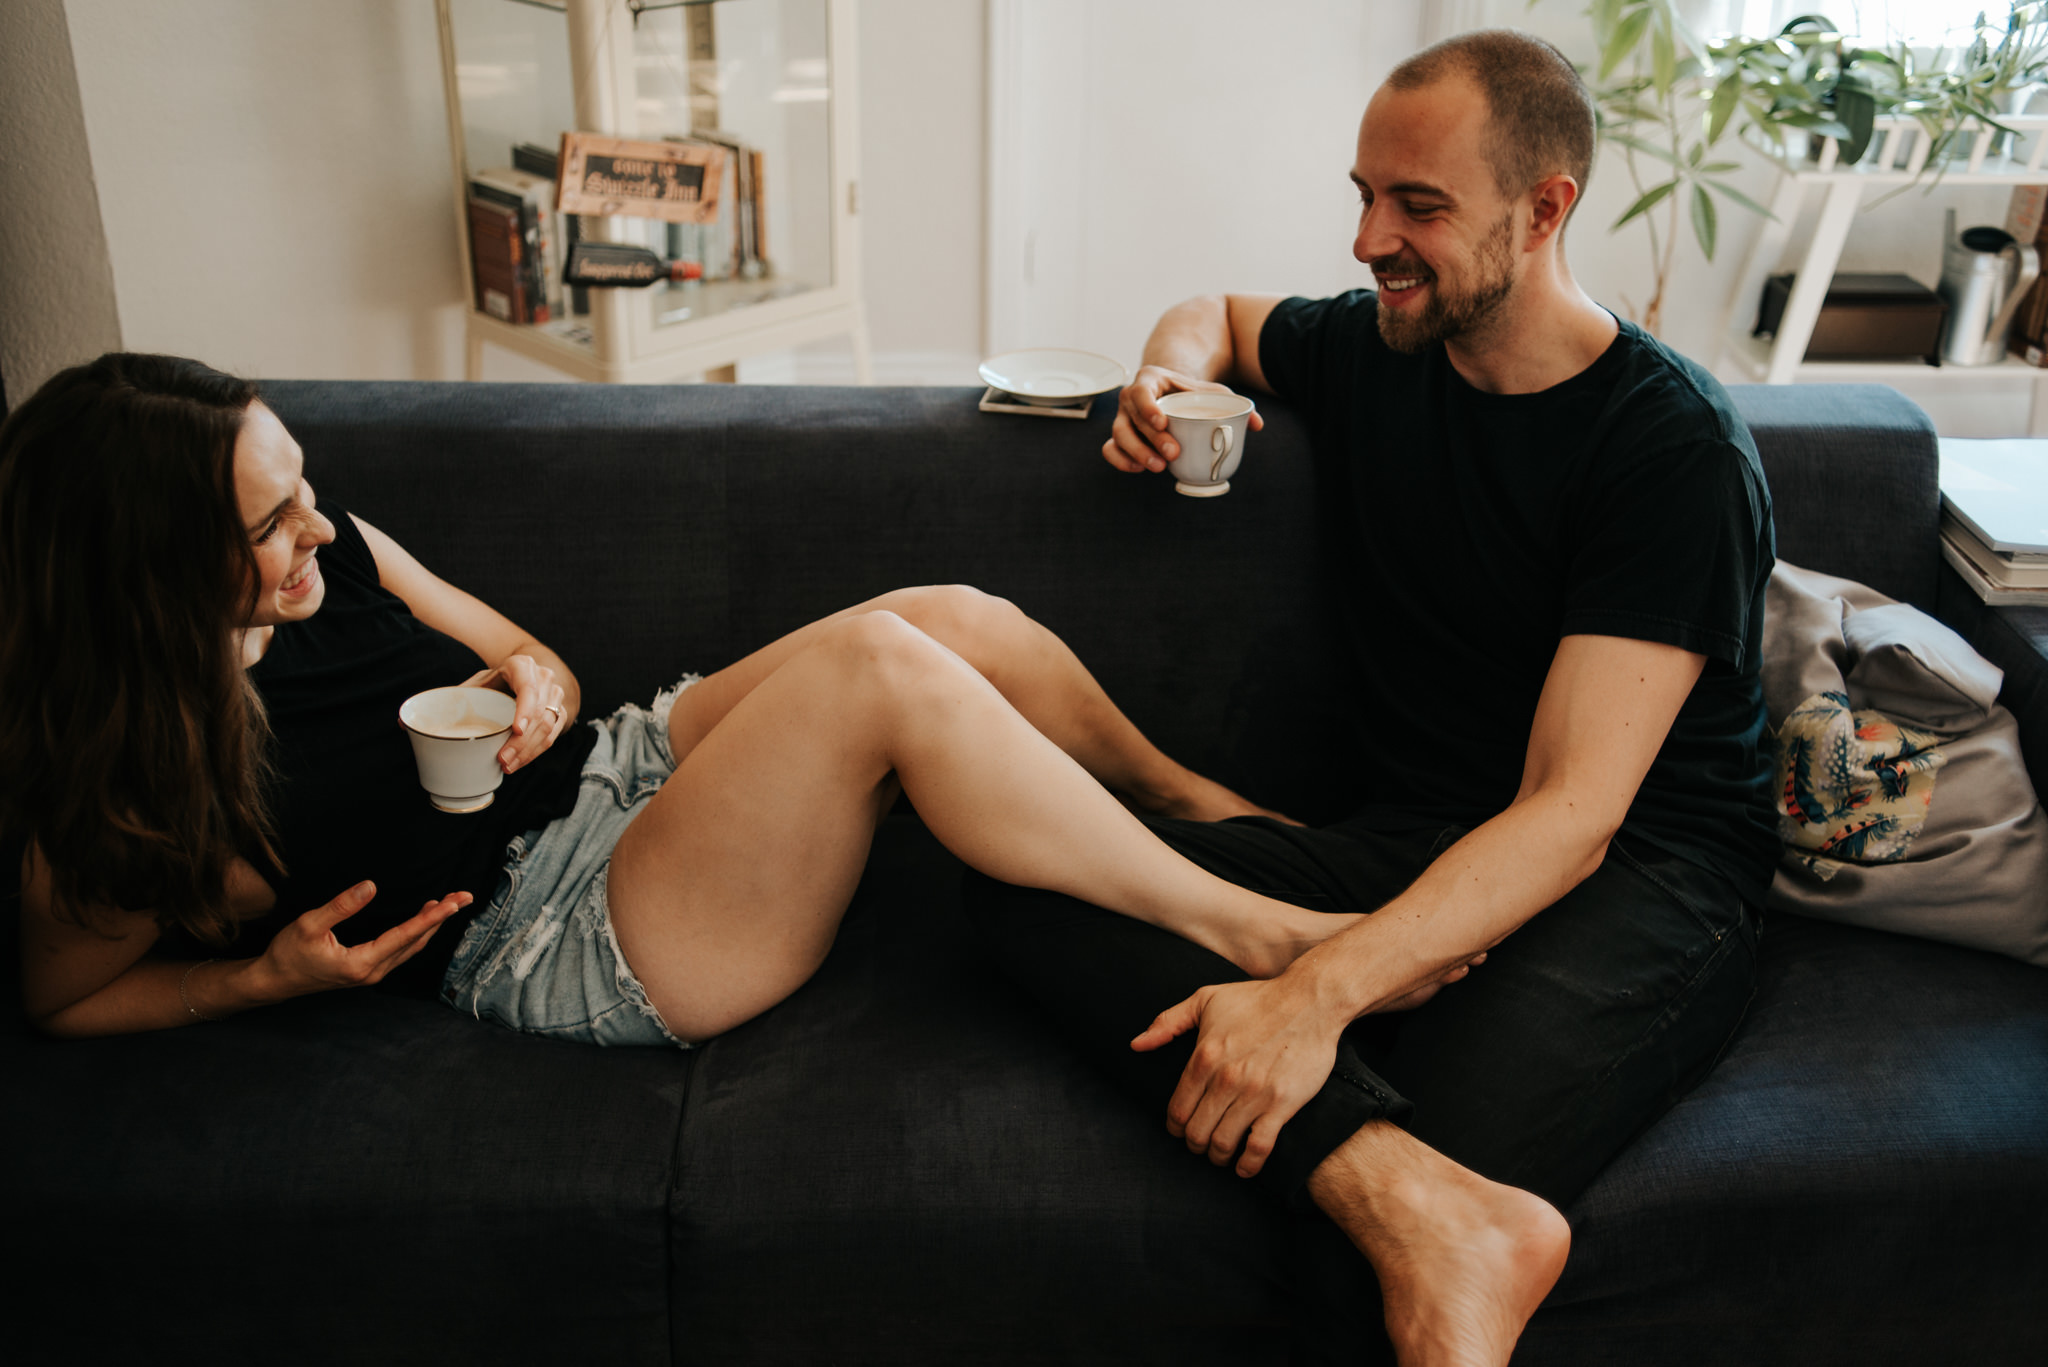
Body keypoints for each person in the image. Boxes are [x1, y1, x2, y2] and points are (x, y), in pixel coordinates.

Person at [965, 28, 1779, 1367]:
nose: (1366, 241)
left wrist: (1317, 994)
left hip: (1643, 875)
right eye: (1361, 195)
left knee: (1341, 1264)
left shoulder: (1669, 450)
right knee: (1020, 878)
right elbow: (1220, 315)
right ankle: (1429, 1215)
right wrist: (1167, 378)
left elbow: (1574, 812)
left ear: (1545, 209)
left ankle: (1426, 1219)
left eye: (1418, 206)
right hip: (1413, 836)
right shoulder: (1385, 347)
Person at [7, 351, 1469, 1052]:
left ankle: (1207, 811)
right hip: (554, 929)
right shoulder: (131, 784)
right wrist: (259, 981)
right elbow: (64, 998)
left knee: (950, 616)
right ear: (153, 574)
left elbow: (539, 655)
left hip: (609, 767)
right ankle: (1267, 932)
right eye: (269, 527)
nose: (316, 534)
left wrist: (529, 686)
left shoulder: (350, 558)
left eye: (305, 490)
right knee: (879, 671)